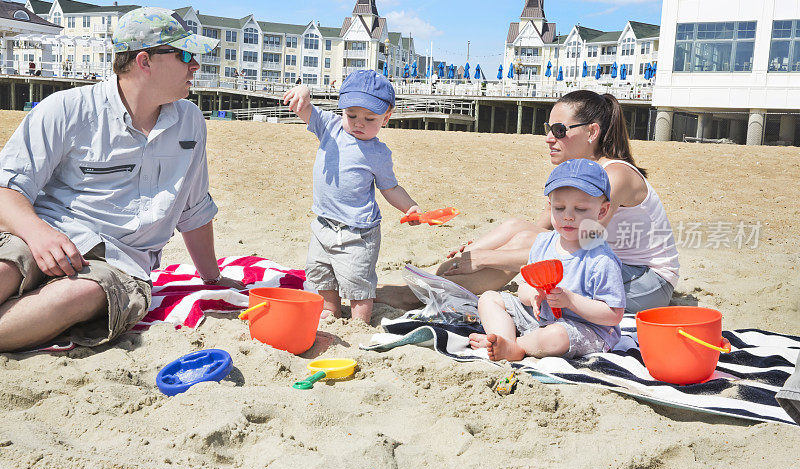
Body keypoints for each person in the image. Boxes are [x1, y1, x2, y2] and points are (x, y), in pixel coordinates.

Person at [0, 7, 243, 352]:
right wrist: (39, 235)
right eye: (185, 54)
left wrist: (212, 277)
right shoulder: (67, 109)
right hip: (46, 231)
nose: (196, 65)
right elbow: (7, 188)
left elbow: (194, 210)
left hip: (121, 262)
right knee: (6, 270)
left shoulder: (191, 122)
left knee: (77, 294)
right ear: (145, 61)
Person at [376, 90, 679, 314]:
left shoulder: (614, 177)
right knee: (517, 231)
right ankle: (434, 286)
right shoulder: (576, 174)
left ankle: (424, 293)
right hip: (603, 262)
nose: (549, 137)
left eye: (560, 130)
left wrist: (485, 259)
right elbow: (535, 231)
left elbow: (582, 245)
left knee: (530, 257)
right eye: (549, 128)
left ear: (592, 132)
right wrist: (482, 249)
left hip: (643, 280)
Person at [282, 70, 422, 324]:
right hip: (323, 224)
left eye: (370, 118)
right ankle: (330, 310)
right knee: (320, 273)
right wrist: (303, 93)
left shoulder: (378, 153)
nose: (359, 123)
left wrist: (410, 207)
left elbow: (389, 188)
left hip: (359, 233)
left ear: (386, 118)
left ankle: (359, 322)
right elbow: (306, 111)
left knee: (358, 282)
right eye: (352, 115)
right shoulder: (330, 127)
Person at [469, 159, 625, 361]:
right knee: (489, 298)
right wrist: (533, 293)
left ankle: (516, 345)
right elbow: (523, 287)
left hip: (584, 329)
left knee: (555, 337)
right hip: (540, 318)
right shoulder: (543, 243)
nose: (568, 216)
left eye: (580, 209)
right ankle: (503, 341)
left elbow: (614, 314)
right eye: (560, 208)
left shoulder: (601, 259)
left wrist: (571, 301)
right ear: (550, 206)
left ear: (602, 211)